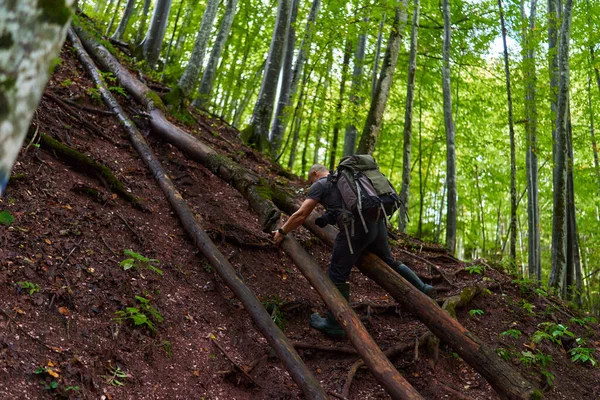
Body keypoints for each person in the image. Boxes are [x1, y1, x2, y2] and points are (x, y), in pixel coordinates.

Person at [273, 164, 436, 337]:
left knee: (336, 274)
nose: (310, 183)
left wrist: (282, 231)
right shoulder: (346, 180)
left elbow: (301, 214)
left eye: (309, 179)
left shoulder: (320, 184)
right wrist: (326, 218)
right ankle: (422, 286)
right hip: (376, 222)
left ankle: (334, 324)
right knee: (389, 261)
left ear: (314, 173)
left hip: (356, 229)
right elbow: (340, 207)